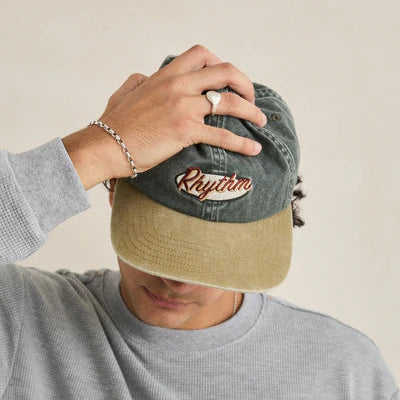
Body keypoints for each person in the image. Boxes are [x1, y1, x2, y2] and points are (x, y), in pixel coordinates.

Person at [0, 44, 398, 399]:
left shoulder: (345, 373)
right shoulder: (21, 323)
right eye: (161, 242)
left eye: (214, 255)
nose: (179, 282)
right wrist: (96, 149)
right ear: (113, 188)